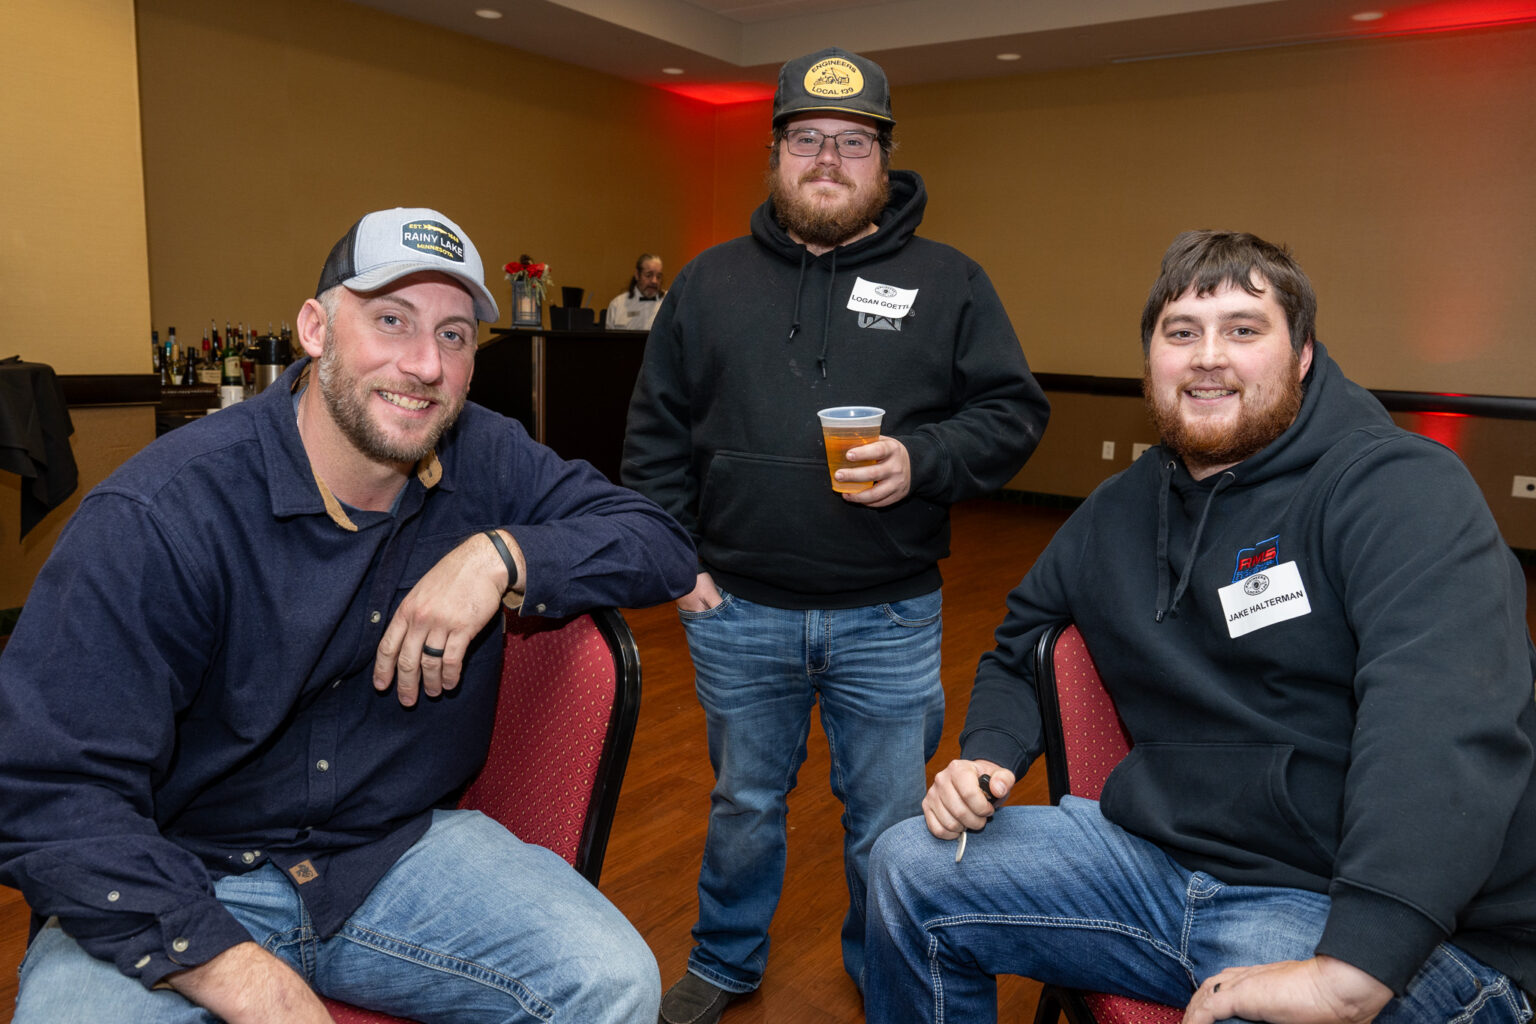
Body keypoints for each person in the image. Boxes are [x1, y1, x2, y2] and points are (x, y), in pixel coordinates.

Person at [0, 206, 697, 1024]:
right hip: (182, 869)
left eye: (453, 335)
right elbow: (50, 790)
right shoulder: (162, 513)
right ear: (315, 329)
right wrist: (245, 978)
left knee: (612, 980)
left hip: (389, 854)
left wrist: (499, 557)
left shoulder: (486, 456)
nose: (424, 364)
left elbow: (659, 541)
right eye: (391, 320)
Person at [864, 229, 1536, 1024]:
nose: (1208, 357)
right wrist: (988, 754)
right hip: (1161, 866)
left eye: (1243, 329)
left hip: (1362, 913)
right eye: (1181, 333)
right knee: (910, 865)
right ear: (1151, 361)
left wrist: (1350, 972)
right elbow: (1026, 638)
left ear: (1303, 355)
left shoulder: (1400, 488)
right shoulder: (1119, 509)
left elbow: (1440, 723)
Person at [623, 45, 1050, 1024]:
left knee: (888, 822)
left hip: (889, 614)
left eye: (853, 142)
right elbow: (655, 434)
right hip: (738, 609)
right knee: (742, 806)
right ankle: (725, 959)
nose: (828, 159)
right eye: (807, 139)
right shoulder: (709, 282)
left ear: (884, 160)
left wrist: (922, 459)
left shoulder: (950, 281)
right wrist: (676, 561)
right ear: (775, 154)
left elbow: (1012, 413)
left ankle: (883, 961)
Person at [606, 253, 666, 331]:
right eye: (648, 275)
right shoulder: (617, 304)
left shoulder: (670, 303)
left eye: (658, 277)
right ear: (637, 275)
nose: (654, 281)